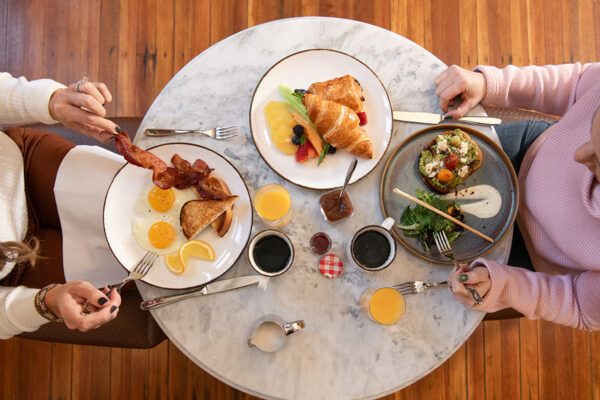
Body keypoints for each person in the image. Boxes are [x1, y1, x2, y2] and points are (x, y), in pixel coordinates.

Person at [434, 63, 600, 331]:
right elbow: (577, 83)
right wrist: (491, 84)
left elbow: (579, 305)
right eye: (593, 129)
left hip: (528, 253)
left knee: (431, 276)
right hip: (529, 152)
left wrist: (504, 287)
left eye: (598, 164)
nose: (578, 156)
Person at [0, 73, 122, 338]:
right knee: (149, 261)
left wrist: (51, 101)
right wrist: (48, 302)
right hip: (18, 268)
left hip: (23, 166)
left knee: (144, 201)